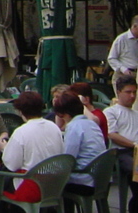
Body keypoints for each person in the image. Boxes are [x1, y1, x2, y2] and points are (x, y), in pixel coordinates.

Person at [0, 90, 64, 202]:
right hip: (54, 186)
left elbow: (12, 165)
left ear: (20, 111)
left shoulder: (21, 132)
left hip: (31, 186)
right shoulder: (54, 127)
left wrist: (4, 149)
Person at [54, 90, 106, 197]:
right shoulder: (92, 124)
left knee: (51, 186)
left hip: (84, 182)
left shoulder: (74, 127)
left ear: (61, 113)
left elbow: (68, 159)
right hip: (100, 179)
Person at [105, 76, 138, 213]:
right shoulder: (111, 112)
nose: (132, 96)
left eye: (135, 92)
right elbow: (112, 134)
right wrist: (134, 144)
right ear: (118, 92)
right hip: (121, 152)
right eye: (128, 92)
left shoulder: (136, 113)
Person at [109, 15, 138, 90]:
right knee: (125, 99)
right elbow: (111, 58)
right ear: (134, 26)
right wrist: (124, 69)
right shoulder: (121, 39)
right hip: (123, 75)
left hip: (136, 75)